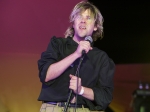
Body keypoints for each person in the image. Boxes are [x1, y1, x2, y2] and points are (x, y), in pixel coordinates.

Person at [37, 1, 115, 112]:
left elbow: (105, 96)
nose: (83, 21)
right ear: (73, 23)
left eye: (88, 18)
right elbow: (46, 75)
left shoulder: (101, 58)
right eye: (79, 17)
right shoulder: (58, 45)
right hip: (53, 107)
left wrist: (81, 90)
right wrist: (76, 54)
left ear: (96, 26)